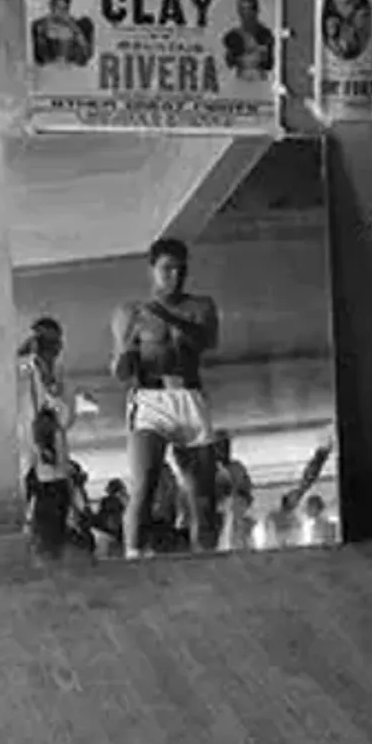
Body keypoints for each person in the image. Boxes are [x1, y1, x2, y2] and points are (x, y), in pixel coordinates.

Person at [110, 238, 221, 558]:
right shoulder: (130, 311)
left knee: (202, 495)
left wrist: (167, 316)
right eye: (167, 269)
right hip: (150, 400)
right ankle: (133, 557)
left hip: (189, 396)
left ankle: (209, 562)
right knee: (145, 484)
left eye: (180, 269)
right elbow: (119, 371)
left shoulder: (201, 306)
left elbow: (207, 340)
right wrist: (125, 346)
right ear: (152, 270)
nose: (174, 276)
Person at [17, 317, 79, 560]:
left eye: (50, 342)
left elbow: (66, 419)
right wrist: (21, 356)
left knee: (51, 535)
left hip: (52, 468)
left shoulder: (63, 379)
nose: (44, 347)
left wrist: (49, 380)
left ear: (59, 346)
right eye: (40, 340)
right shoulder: (17, 373)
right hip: (21, 463)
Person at [212, 432, 256, 553]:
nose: (224, 450)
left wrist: (238, 494)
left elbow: (247, 490)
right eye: (220, 446)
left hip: (237, 509)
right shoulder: (210, 470)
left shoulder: (237, 467)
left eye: (226, 446)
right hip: (220, 514)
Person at [31, 0, 95, 67]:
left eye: (64, 9)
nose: (59, 13)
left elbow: (86, 54)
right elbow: (40, 57)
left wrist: (73, 28)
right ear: (51, 6)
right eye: (57, 7)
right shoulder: (40, 25)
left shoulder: (76, 26)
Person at [222, 0, 275, 80]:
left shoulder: (265, 35)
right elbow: (229, 63)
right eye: (242, 9)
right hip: (239, 83)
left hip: (260, 84)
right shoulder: (232, 36)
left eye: (249, 9)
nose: (245, 13)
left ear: (256, 11)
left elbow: (269, 64)